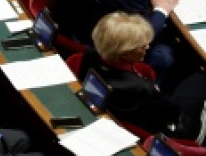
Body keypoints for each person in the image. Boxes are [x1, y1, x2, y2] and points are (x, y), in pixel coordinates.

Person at [84, 13, 206, 142]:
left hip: (132, 111)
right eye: (142, 46)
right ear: (125, 54)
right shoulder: (143, 89)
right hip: (179, 130)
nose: (148, 47)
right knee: (200, 78)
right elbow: (174, 112)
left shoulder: (90, 56)